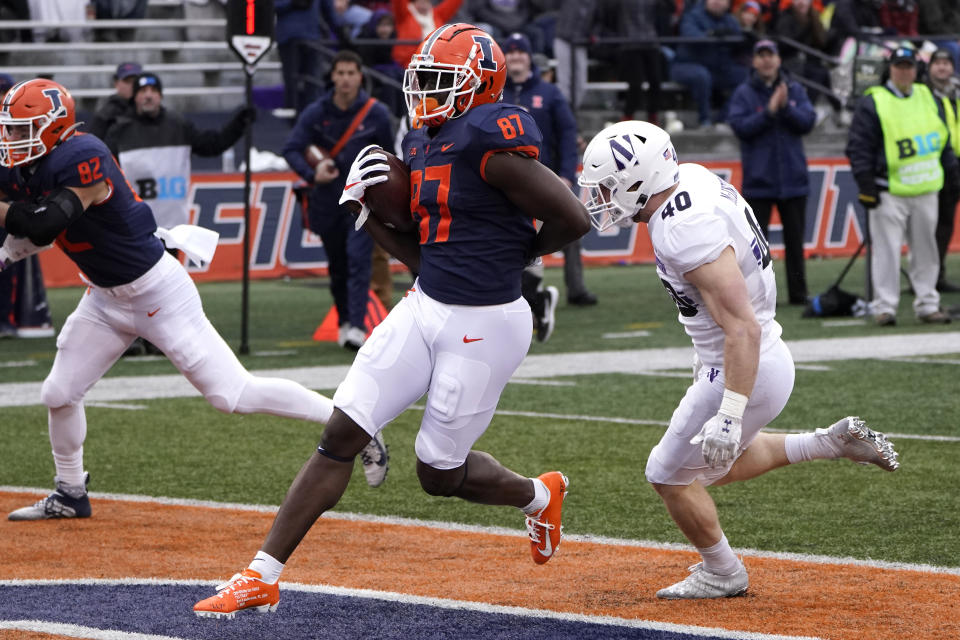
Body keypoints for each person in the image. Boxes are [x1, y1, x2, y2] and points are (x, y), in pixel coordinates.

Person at [193, 23, 590, 619]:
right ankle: (261, 575)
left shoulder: (491, 142)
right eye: (422, 80)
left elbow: (574, 218)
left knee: (438, 474)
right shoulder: (424, 138)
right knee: (341, 435)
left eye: (439, 81)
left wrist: (520, 255)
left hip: (486, 324)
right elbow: (423, 252)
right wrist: (368, 214)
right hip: (426, 303)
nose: (425, 92)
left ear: (479, 86)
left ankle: (539, 494)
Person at [0, 79, 388, 522]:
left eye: (19, 129)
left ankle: (357, 427)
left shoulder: (83, 154)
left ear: (53, 127)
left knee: (232, 394)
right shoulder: (26, 164)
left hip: (156, 292)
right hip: (105, 298)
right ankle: (70, 492)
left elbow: (46, 222)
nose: (10, 140)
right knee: (59, 391)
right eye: (9, 130)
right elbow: (29, 222)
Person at [578, 119, 900, 599]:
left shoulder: (681, 228)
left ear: (639, 180)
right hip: (761, 353)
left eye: (608, 186)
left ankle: (722, 572)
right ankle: (830, 443)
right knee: (713, 466)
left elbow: (740, 326)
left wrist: (729, 410)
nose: (602, 198)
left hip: (739, 359)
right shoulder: (689, 178)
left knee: (667, 474)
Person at [282, 50, 395, 351]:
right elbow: (291, 148)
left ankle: (357, 327)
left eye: (351, 73)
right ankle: (346, 320)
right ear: (333, 76)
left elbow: (390, 157)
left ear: (360, 76)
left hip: (361, 203)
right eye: (340, 73)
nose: (345, 79)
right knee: (338, 266)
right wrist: (312, 172)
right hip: (327, 200)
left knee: (360, 262)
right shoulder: (316, 112)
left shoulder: (376, 113)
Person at [846, 45, 959, 326]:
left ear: (916, 69)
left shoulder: (927, 96)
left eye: (909, 66)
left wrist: (951, 172)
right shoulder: (874, 101)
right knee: (886, 251)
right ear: (890, 68)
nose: (904, 71)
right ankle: (885, 307)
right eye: (899, 66)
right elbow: (859, 147)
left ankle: (928, 304)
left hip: (926, 187)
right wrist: (866, 183)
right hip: (888, 189)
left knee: (927, 251)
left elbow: (942, 138)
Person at [502, 31, 595, 342]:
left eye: (520, 53)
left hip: (548, 179)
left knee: (569, 234)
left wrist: (567, 174)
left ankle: (574, 290)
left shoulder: (549, 93)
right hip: (508, 185)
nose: (516, 58)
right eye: (510, 53)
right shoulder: (497, 93)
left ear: (530, 58)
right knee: (522, 245)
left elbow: (568, 135)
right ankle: (534, 304)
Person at [728, 39, 816, 305]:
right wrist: (769, 111)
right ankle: (757, 298)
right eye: (761, 55)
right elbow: (740, 127)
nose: (766, 60)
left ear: (778, 59)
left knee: (795, 243)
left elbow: (807, 122)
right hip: (759, 182)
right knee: (755, 248)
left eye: (771, 55)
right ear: (754, 61)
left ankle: (799, 295)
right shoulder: (744, 93)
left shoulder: (794, 89)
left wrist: (785, 107)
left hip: (793, 180)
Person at [671, 0, 749, 129]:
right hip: (686, 65)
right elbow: (691, 36)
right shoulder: (692, 16)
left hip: (718, 68)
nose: (717, 2)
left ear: (728, 4)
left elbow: (739, 42)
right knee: (702, 75)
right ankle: (704, 120)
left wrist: (745, 40)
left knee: (746, 76)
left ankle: (724, 119)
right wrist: (711, 35)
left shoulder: (730, 20)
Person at [924, 47, 960, 293]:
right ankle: (929, 278)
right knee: (932, 224)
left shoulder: (957, 92)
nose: (943, 67)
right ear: (930, 67)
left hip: (956, 161)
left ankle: (938, 275)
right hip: (935, 162)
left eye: (947, 63)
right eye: (938, 63)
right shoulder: (923, 94)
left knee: (946, 222)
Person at [391, 0, 464, 69]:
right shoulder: (404, 14)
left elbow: (453, 3)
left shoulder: (436, 14)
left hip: (436, 62)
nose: (424, 2)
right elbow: (398, 2)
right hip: (408, 64)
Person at [87, 61, 140, 140]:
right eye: (127, 81)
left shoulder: (149, 109)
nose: (131, 85)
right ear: (116, 83)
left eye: (135, 81)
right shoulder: (105, 114)